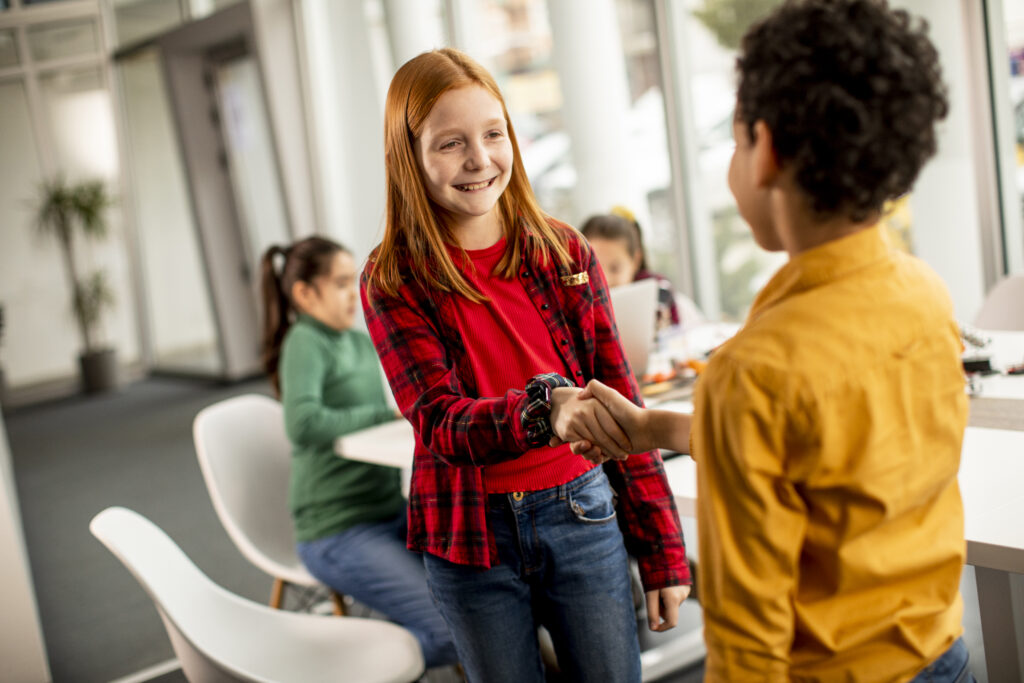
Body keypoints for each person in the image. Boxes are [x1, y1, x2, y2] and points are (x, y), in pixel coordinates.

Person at [569, 1, 975, 680]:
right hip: (943, 654)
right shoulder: (923, 291)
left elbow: (750, 640)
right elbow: (823, 457)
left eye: (733, 141)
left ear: (768, 150)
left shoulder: (753, 371)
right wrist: (653, 427)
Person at [360, 47, 691, 683]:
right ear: (410, 156)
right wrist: (546, 412)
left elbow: (626, 405)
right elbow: (439, 422)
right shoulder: (393, 277)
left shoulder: (565, 251)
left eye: (493, 134)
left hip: (582, 513)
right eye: (450, 143)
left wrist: (662, 551)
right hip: (468, 533)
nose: (480, 160)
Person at [259, 236, 458, 671]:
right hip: (338, 530)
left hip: (390, 511)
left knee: (487, 589)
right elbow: (303, 422)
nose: (355, 293)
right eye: (342, 283)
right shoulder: (306, 341)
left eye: (355, 281)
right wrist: (382, 413)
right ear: (305, 293)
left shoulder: (358, 340)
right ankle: (354, 668)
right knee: (451, 631)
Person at [580, 210, 683, 330]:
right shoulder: (578, 303)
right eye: (594, 269)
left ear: (635, 261)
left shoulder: (658, 291)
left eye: (615, 269)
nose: (605, 280)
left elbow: (676, 336)